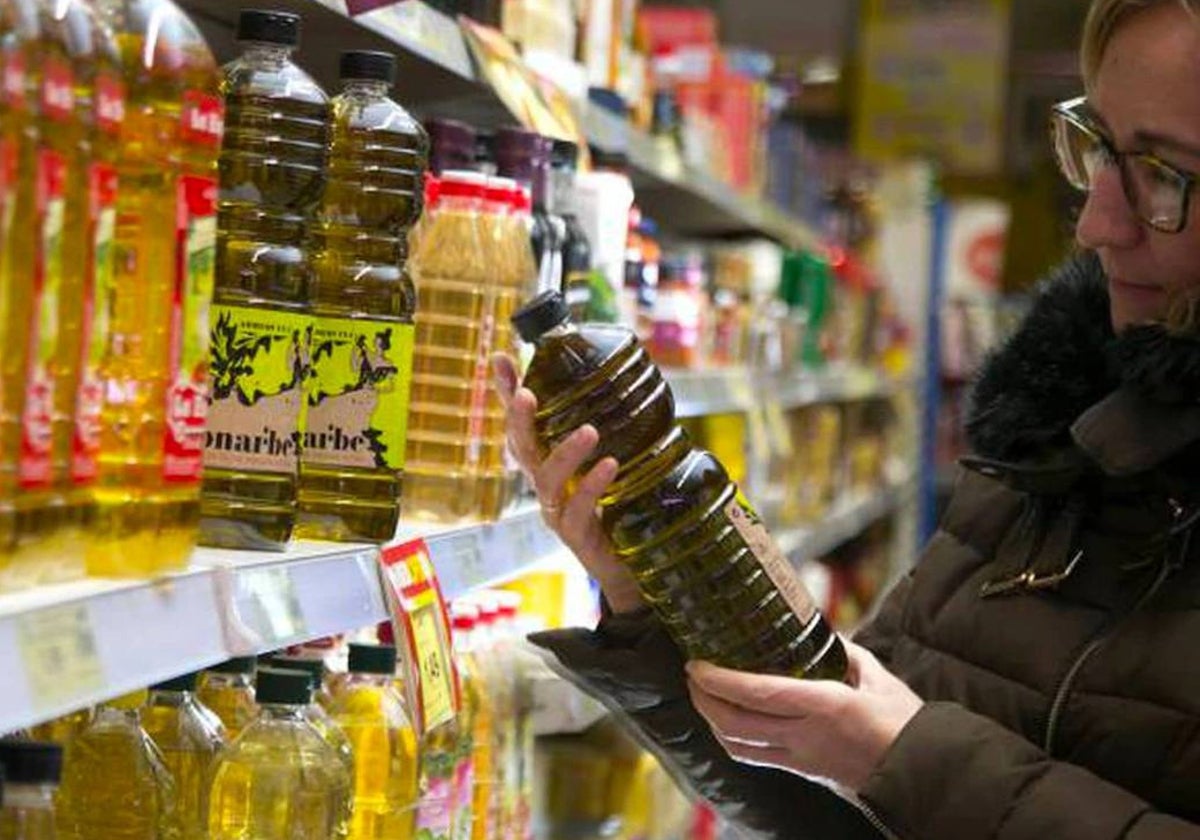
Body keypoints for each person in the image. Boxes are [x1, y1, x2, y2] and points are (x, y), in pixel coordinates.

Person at [493, 0, 1200, 836]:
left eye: (1163, 174)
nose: (1094, 222)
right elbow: (822, 792)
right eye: (1100, 148)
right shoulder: (1050, 454)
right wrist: (651, 599)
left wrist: (906, 757)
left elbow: (886, 762)